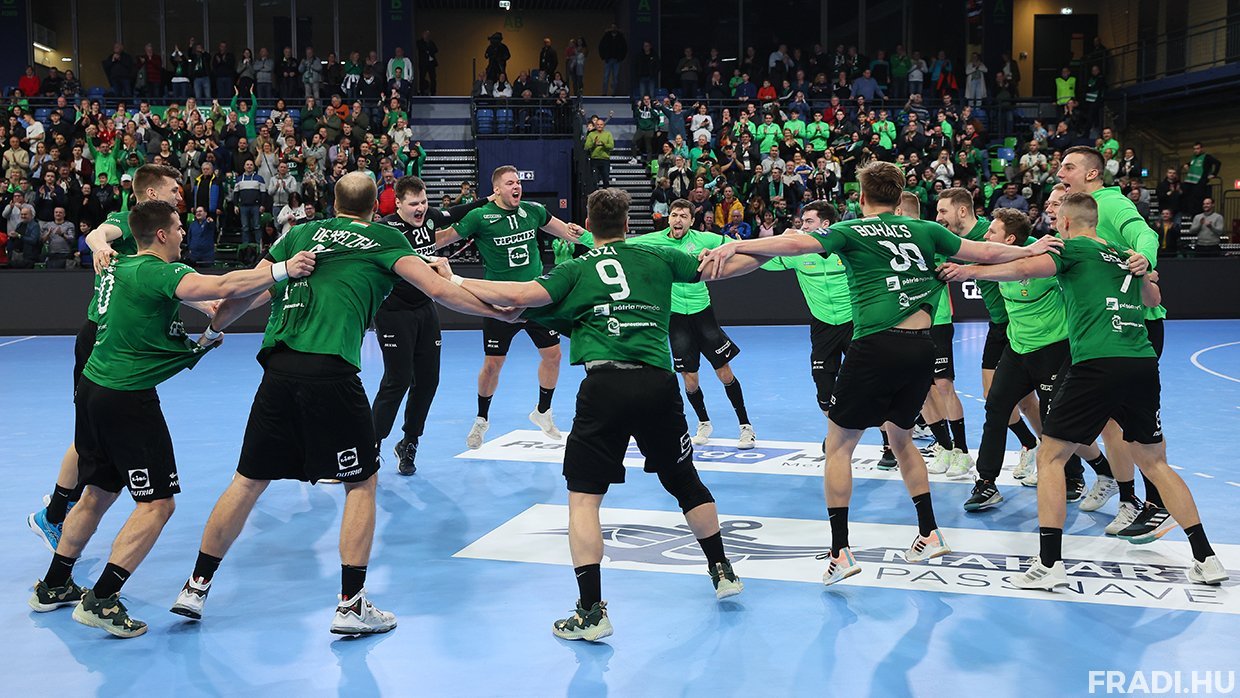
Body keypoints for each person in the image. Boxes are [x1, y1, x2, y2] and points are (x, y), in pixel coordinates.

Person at [169, 172, 517, 634]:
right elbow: (440, 290)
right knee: (362, 482)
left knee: (248, 481)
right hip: (331, 372)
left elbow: (250, 290)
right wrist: (498, 313)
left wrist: (214, 329)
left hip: (278, 370)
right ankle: (351, 606)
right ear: (377, 207)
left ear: (333, 203)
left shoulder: (300, 234)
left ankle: (195, 587)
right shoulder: (386, 238)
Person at [697, 161, 1062, 585]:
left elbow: (795, 243)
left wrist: (735, 245)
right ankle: (929, 532)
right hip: (921, 348)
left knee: (839, 446)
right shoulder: (927, 230)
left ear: (862, 197)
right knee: (901, 438)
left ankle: (840, 552)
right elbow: (985, 252)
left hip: (875, 346)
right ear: (899, 194)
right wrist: (1030, 249)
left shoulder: (851, 230)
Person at [438, 187, 743, 641]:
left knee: (584, 499)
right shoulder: (658, 255)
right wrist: (755, 248)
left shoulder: (574, 270)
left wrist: (456, 279)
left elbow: (517, 296)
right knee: (684, 481)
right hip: (657, 385)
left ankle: (591, 612)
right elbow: (724, 267)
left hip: (604, 388)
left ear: (587, 224)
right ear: (627, 224)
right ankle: (722, 570)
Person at [28, 200, 316, 638]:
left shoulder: (121, 267)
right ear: (162, 234)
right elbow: (223, 283)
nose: (184, 233)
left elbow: (154, 318)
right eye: (179, 227)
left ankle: (53, 584)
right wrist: (282, 269)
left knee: (99, 491)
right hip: (127, 400)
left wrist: (202, 337)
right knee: (158, 504)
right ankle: (102, 598)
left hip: (93, 390)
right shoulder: (160, 272)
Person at [939, 193, 1228, 589]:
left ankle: (1049, 563)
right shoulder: (1124, 255)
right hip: (1141, 362)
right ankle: (1206, 558)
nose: (1054, 224)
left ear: (1067, 223)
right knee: (1155, 462)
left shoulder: (1071, 249)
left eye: (1056, 219)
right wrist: (1144, 271)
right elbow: (1153, 299)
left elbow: (1023, 267)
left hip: (1095, 363)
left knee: (1051, 456)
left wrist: (967, 271)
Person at [27, 165, 192, 553]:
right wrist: (100, 246)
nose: (178, 195)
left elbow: (171, 287)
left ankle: (61, 510)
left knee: (95, 434)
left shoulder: (161, 234)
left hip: (123, 342)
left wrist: (208, 306)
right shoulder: (129, 221)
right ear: (152, 194)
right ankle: (54, 514)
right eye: (173, 189)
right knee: (88, 435)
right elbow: (96, 234)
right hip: (102, 337)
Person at [1056, 146, 1170, 539]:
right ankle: (1129, 497)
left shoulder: (1111, 203)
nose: (1061, 172)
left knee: (1130, 425)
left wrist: (1145, 260)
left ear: (1092, 174)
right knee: (1111, 423)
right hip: (1110, 326)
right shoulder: (1081, 211)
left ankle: (1151, 502)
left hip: (1136, 323)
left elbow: (1145, 234)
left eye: (1069, 167)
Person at [435, 166, 583, 449]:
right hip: (500, 302)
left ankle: (543, 412)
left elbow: (566, 231)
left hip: (536, 297)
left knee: (553, 356)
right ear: (497, 190)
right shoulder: (480, 216)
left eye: (518, 182)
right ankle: (481, 419)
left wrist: (593, 237)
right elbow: (443, 239)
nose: (516, 187)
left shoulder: (534, 211)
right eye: (509, 183)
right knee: (493, 364)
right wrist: (413, 234)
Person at [372, 176, 496, 474]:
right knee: (397, 380)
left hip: (425, 308)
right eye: (413, 204)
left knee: (428, 381)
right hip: (394, 312)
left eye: (424, 202)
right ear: (398, 203)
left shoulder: (430, 218)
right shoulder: (387, 229)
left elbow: (457, 212)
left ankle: (409, 442)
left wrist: (488, 200)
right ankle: (371, 445)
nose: (420, 208)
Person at [630, 200, 756, 449]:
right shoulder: (654, 240)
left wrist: (719, 252)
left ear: (691, 221)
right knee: (690, 379)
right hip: (676, 317)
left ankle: (746, 427)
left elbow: (738, 246)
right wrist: (586, 236)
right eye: (674, 215)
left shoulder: (705, 239)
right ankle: (704, 423)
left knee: (724, 372)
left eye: (683, 216)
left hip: (703, 314)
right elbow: (618, 244)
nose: (678, 219)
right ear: (668, 218)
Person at [932, 188, 1040, 480]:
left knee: (1026, 400)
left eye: (943, 211)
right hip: (998, 325)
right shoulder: (951, 241)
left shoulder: (991, 232)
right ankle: (1030, 444)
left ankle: (1050, 452)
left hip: (1021, 324)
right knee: (993, 396)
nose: (939, 217)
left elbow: (1031, 247)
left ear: (962, 211)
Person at [758, 202, 852, 420]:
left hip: (855, 322)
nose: (804, 226)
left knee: (872, 383)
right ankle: (835, 433)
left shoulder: (848, 249)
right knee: (824, 392)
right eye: (803, 222)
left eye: (809, 221)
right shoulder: (798, 253)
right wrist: (736, 246)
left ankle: (892, 438)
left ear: (825, 224)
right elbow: (762, 260)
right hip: (823, 324)